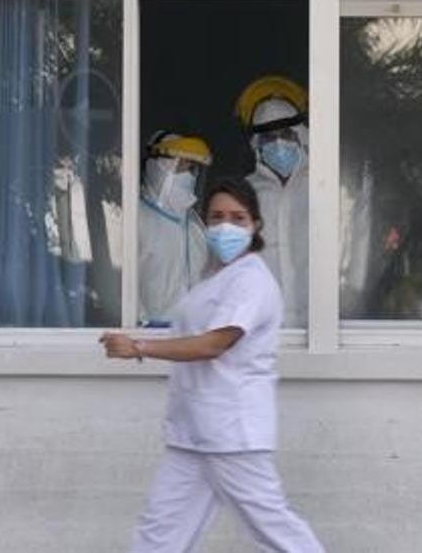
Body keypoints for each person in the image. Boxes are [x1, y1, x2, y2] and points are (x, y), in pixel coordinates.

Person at [100, 178, 325, 553]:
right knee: (159, 533)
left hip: (232, 433)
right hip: (191, 432)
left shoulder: (252, 280)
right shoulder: (213, 280)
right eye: (217, 217)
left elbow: (215, 343)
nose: (226, 226)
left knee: (275, 530)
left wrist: (139, 347)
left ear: (255, 225)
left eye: (238, 218)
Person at [235, 75, 309, 328]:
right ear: (257, 144)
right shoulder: (244, 193)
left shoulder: (323, 186)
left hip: (318, 328)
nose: (278, 143)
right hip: (263, 329)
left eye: (286, 133)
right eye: (268, 136)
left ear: (300, 135)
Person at [138, 131, 213, 326]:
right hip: (147, 336)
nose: (188, 174)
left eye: (192, 167)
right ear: (157, 166)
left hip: (193, 334)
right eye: (181, 165)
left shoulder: (195, 225)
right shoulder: (135, 219)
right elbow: (120, 288)